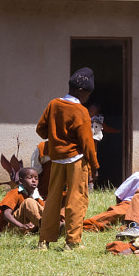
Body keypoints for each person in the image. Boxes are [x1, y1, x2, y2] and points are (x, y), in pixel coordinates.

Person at [35, 69, 97, 249]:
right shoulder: (80, 111)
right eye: (88, 94)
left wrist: (55, 136)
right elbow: (87, 142)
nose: (87, 98)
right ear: (80, 91)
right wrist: (94, 166)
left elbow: (41, 129)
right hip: (76, 160)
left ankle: (44, 240)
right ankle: (72, 241)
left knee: (53, 199)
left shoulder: (53, 104)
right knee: (76, 199)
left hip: (56, 160)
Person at [84, 151, 139, 231]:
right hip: (129, 204)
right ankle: (87, 224)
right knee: (117, 213)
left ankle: (129, 227)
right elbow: (119, 193)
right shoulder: (138, 176)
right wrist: (120, 205)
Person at [0, 166, 44, 235]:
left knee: (48, 205)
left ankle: (54, 225)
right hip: (14, 227)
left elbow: (43, 210)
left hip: (29, 227)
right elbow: (6, 214)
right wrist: (21, 225)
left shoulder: (36, 196)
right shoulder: (15, 193)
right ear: (21, 181)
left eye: (36, 178)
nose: (34, 180)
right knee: (28, 202)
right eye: (30, 178)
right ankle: (47, 227)